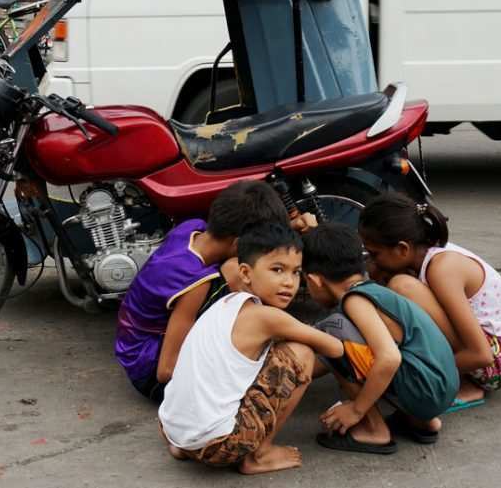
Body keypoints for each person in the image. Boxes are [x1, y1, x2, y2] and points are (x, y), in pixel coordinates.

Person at [158, 222, 343, 475]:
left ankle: (186, 447)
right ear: (245, 273)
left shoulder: (226, 303)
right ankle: (259, 455)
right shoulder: (267, 317)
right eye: (277, 269)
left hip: (172, 429)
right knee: (302, 354)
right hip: (220, 447)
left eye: (296, 272)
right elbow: (335, 349)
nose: (289, 282)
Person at [115, 180, 315, 402]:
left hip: (133, 348)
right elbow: (166, 370)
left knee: (244, 270)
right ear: (239, 243)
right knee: (245, 276)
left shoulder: (193, 229)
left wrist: (292, 227)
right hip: (152, 373)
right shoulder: (196, 283)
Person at [359, 193, 501, 410]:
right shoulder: (422, 256)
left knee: (402, 286)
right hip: (486, 350)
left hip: (499, 361)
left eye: (375, 254)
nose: (371, 262)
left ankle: (457, 381)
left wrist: (422, 375)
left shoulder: (442, 269)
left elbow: (481, 355)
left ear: (403, 248)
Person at [302, 223, 459, 455]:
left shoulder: (355, 300)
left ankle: (374, 430)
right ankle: (422, 422)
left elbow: (389, 358)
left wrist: (356, 409)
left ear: (315, 280)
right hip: (442, 388)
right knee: (345, 339)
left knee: (331, 333)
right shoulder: (374, 291)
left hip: (424, 390)